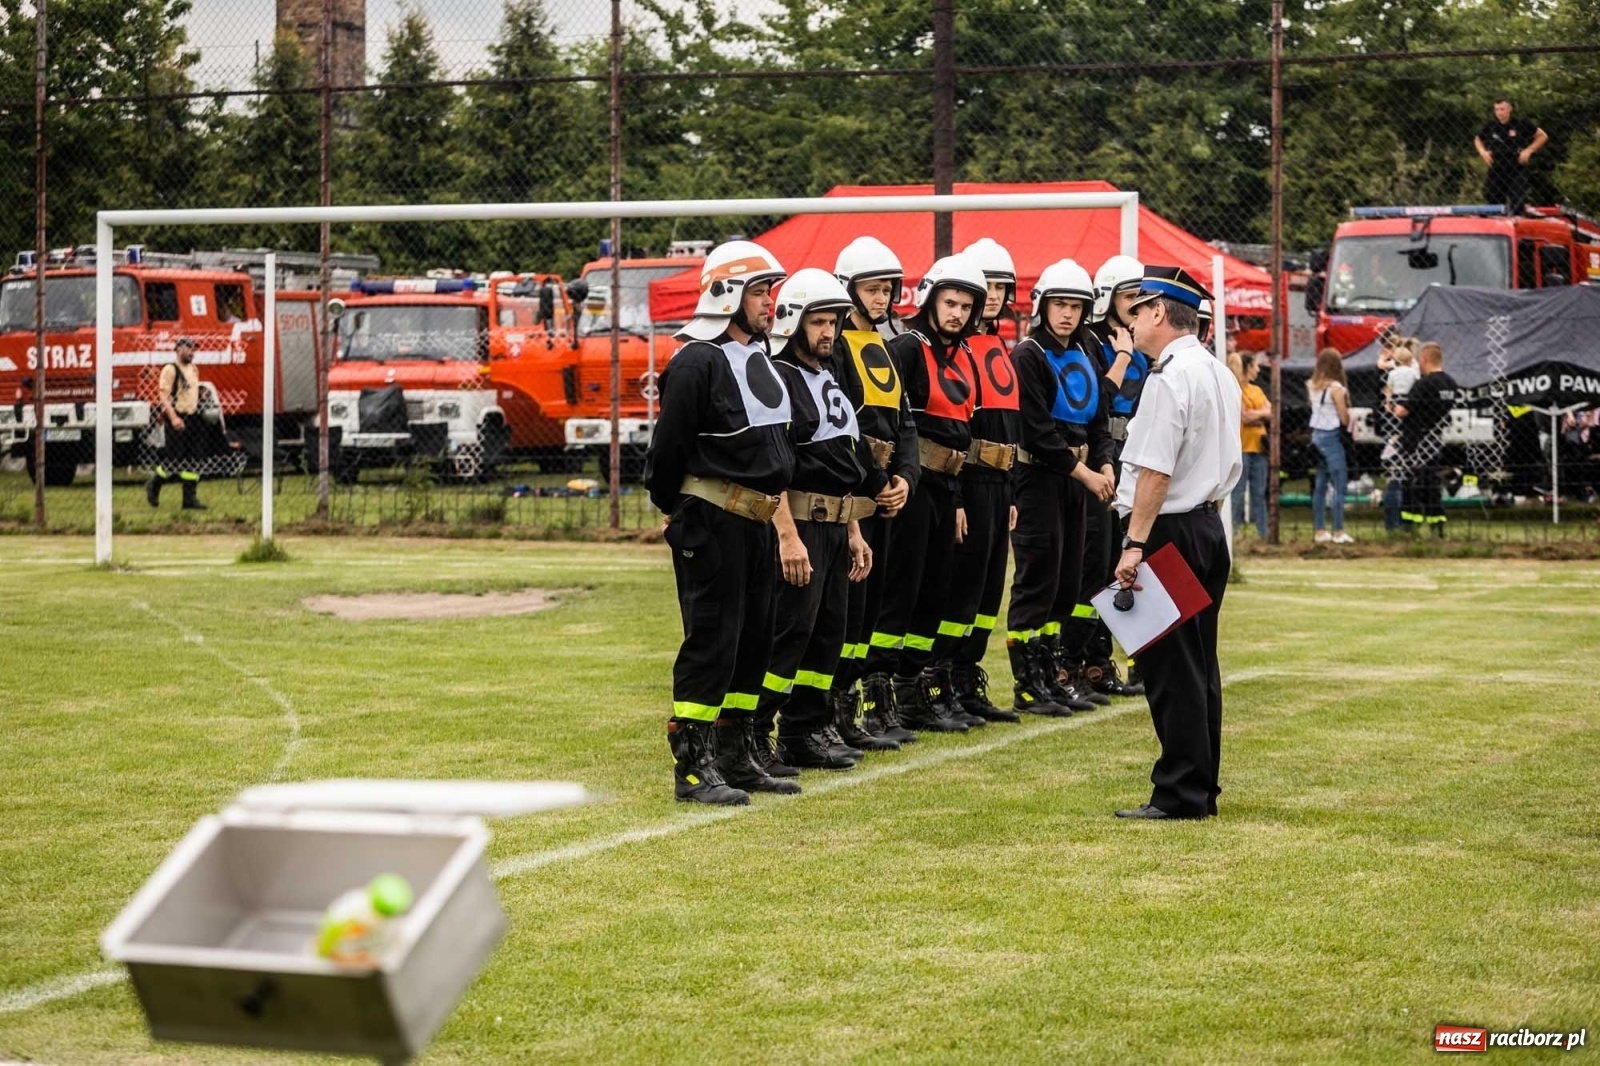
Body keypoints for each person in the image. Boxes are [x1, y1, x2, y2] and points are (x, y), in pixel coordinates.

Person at [644, 240, 794, 806]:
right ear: (726, 293)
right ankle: (693, 766)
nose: (768, 304)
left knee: (754, 640)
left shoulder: (758, 357)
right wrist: (677, 508)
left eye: (770, 292)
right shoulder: (695, 361)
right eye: (760, 292)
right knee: (713, 640)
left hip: (756, 521)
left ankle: (737, 754)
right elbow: (668, 451)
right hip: (712, 518)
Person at [1112, 266, 1241, 821]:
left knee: (1172, 671)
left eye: (1138, 310)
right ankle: (1198, 786)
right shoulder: (1216, 371)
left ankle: (1182, 791)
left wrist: (1133, 543)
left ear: (1160, 312)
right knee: (1199, 665)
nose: (1134, 319)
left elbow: (1155, 473)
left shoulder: (1168, 377)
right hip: (1208, 526)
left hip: (1171, 529)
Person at [762, 270, 885, 774]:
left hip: (837, 525)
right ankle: (755, 729)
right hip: (801, 523)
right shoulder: (778, 379)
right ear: (793, 322)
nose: (829, 332)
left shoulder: (828, 377)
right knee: (790, 632)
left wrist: (854, 528)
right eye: (818, 322)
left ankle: (804, 729)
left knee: (828, 633)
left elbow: (845, 461)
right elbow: (774, 466)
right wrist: (788, 536)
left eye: (833, 322)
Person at [880, 254, 990, 734]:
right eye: (950, 302)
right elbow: (894, 424)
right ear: (929, 300)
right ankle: (883, 693)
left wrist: (961, 500)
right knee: (903, 588)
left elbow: (964, 432)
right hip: (916, 485)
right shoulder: (907, 347)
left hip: (950, 486)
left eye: (967, 306)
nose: (958, 313)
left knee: (936, 591)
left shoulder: (965, 354)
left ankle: (914, 689)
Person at [1006, 259, 1116, 717]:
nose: (1067, 314)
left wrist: (1105, 462)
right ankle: (1026, 684)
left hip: (1078, 479)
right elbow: (1037, 431)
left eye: (1075, 305)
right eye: (1059, 304)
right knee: (1038, 576)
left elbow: (1098, 421)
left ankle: (1050, 676)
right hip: (1039, 478)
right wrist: (1087, 474)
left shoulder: (1085, 354)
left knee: (1067, 580)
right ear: (1043, 306)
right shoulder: (1028, 354)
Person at [828, 237, 920, 751]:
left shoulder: (885, 345)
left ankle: (862, 707)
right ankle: (836, 709)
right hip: (855, 487)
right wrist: (876, 481)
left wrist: (906, 476)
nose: (882, 299)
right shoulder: (838, 347)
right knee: (849, 605)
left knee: (879, 603)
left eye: (887, 290)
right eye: (872, 289)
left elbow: (904, 422)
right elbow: (841, 427)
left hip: (886, 489)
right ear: (848, 290)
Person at [937, 237, 1025, 724]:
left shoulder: (1000, 345)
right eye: (984, 286)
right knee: (961, 586)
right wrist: (957, 496)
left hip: (998, 483)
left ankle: (969, 680)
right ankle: (942, 681)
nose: (992, 295)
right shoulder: (955, 346)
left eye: (1000, 287)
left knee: (989, 590)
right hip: (966, 483)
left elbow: (1006, 422)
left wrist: (1009, 487)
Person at [1069, 253, 1150, 699]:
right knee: (1098, 561)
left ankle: (1132, 658)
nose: (1136, 305)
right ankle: (1088, 660)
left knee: (1135, 555)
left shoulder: (1146, 338)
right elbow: (1096, 400)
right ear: (1107, 298)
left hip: (1139, 452)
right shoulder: (1093, 342)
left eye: (1142, 297)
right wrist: (1121, 355)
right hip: (1106, 452)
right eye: (1129, 296)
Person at [1394, 340, 1458, 535]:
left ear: (1425, 359)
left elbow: (1402, 411)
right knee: (1432, 484)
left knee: (1411, 483)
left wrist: (1391, 403)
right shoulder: (1451, 383)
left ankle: (1410, 526)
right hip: (1435, 438)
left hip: (1416, 439)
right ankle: (1437, 526)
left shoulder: (1424, 384)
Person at [145, 337, 208, 510]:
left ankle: (189, 499)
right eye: (189, 348)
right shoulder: (170, 369)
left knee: (194, 459)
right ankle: (154, 484)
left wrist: (200, 396)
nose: (192, 352)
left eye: (194, 349)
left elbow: (191, 391)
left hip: (193, 417)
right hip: (177, 417)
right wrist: (173, 418)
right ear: (179, 349)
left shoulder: (194, 369)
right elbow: (163, 397)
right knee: (174, 460)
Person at [1307, 347, 1355, 544]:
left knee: (1320, 484)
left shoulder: (1312, 385)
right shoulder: (1336, 388)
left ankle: (1320, 530)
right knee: (1339, 482)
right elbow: (1343, 418)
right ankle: (1338, 530)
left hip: (1316, 436)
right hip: (1332, 437)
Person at [1474, 97, 1547, 213]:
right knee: (1493, 198)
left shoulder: (1520, 123)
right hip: (1497, 165)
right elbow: (1478, 139)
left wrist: (1528, 150)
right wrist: (1482, 152)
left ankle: (1517, 222)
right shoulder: (1491, 125)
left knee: (1517, 199)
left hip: (1516, 165)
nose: (1499, 113)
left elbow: (1542, 136)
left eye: (1502, 109)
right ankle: (1497, 225)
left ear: (1509, 109)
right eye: (1496, 110)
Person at [1377, 336, 1420, 531]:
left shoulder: (1391, 372)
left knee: (1394, 476)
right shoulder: (1414, 371)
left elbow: (1388, 392)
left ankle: (1392, 523)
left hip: (1393, 412)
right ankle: (1405, 522)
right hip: (1409, 415)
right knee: (1406, 475)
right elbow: (1417, 389)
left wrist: (1388, 405)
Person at [1230, 350, 1271, 538]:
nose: (1258, 369)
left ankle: (1264, 533)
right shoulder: (1236, 389)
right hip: (1242, 447)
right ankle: (1234, 531)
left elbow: (1271, 412)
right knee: (1237, 492)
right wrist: (1260, 413)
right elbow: (1244, 416)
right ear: (1246, 367)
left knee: (1259, 493)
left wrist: (1257, 415)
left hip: (1259, 448)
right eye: (1255, 365)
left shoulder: (1257, 390)